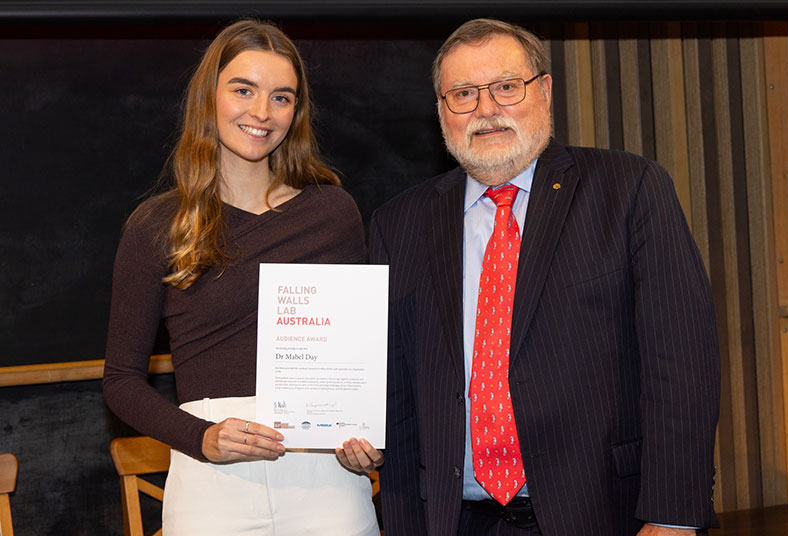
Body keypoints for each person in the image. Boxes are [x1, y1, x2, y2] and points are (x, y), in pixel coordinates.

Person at [370, 18, 720, 536]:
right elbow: (396, 399)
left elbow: (681, 365)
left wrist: (673, 518)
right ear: (441, 110)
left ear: (546, 90)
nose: (486, 110)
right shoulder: (398, 224)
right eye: (463, 94)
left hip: (606, 514)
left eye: (507, 88)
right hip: (452, 520)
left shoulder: (629, 190)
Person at [103, 19, 382, 535]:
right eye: (243, 90)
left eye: (281, 97)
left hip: (325, 478)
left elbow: (360, 355)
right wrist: (202, 437)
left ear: (296, 112)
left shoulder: (333, 212)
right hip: (211, 481)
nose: (261, 113)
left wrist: (365, 441)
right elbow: (120, 382)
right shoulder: (156, 226)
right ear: (209, 98)